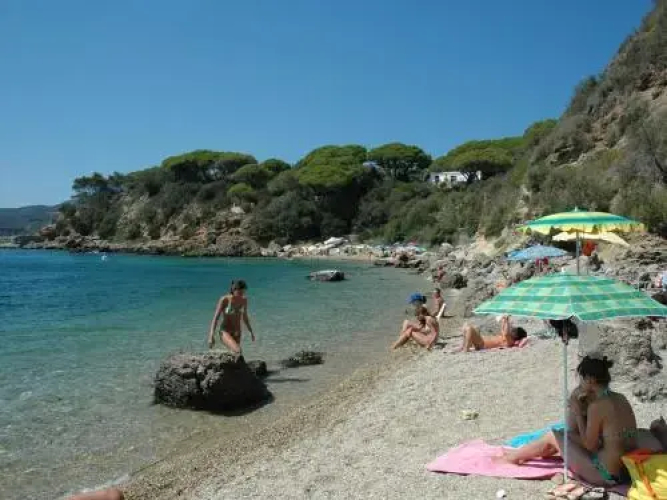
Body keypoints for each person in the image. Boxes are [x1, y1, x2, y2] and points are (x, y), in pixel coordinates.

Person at [502, 355, 638, 486]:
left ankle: (513, 458)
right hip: (626, 472)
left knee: (553, 436)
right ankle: (522, 454)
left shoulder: (597, 407)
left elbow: (590, 445)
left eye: (581, 379)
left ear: (590, 379)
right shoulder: (621, 398)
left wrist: (578, 414)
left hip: (605, 475)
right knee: (565, 435)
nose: (580, 384)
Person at [207, 280, 255, 354]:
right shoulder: (224, 299)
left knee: (236, 354)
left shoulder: (244, 300)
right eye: (240, 293)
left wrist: (251, 331)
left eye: (243, 292)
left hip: (237, 332)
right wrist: (211, 336)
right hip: (225, 331)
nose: (241, 295)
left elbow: (245, 317)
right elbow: (216, 318)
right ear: (234, 290)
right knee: (238, 350)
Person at [458, 315, 527, 351]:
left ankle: (466, 349)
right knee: (466, 325)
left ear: (516, 336)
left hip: (482, 344)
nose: (512, 330)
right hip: (481, 341)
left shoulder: (510, 341)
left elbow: (506, 332)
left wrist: (506, 320)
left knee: (469, 329)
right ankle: (464, 346)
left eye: (514, 331)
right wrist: (505, 319)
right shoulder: (506, 338)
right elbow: (503, 329)